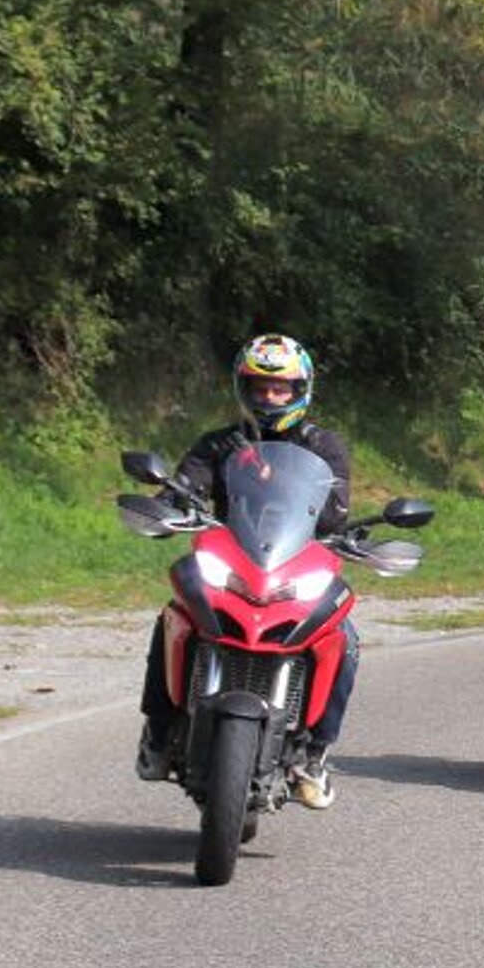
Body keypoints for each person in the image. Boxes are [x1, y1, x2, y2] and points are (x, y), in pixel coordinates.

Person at [136, 334, 359, 808]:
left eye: (281, 388)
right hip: (231, 558)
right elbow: (185, 486)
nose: (271, 397)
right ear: (244, 389)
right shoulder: (219, 443)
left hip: (295, 563)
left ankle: (315, 753)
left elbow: (335, 513)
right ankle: (158, 729)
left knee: (345, 639)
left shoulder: (324, 447)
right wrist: (168, 505)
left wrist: (290, 488)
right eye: (261, 388)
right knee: (173, 618)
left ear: (301, 390)